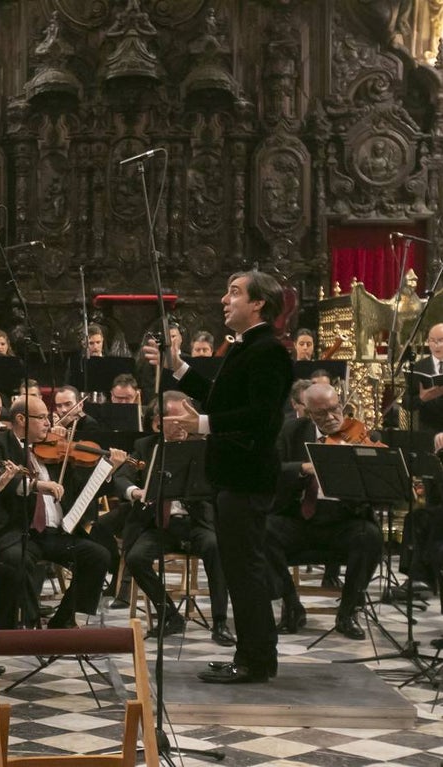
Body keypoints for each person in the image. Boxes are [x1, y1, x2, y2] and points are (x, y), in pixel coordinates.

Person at [144, 270, 292, 684]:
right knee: (240, 568)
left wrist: (201, 426)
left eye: (234, 293)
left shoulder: (270, 351)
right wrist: (177, 366)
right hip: (234, 477)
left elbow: (262, 418)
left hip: (248, 477)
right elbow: (217, 397)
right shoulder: (245, 348)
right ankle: (251, 654)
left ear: (259, 303)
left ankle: (255, 660)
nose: (224, 301)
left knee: (246, 570)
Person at [0, 395, 122, 629]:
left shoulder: (56, 450)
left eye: (48, 418)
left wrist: (108, 469)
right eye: (42, 418)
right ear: (20, 419)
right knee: (17, 559)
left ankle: (63, 620)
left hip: (55, 533)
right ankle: (31, 622)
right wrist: (37, 485)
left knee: (98, 556)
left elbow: (81, 489)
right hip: (19, 530)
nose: (49, 423)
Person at [113, 391, 235, 646]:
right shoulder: (144, 446)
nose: (184, 425)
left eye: (187, 419)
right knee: (135, 558)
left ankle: (221, 621)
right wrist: (135, 492)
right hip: (159, 525)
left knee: (215, 547)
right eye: (177, 419)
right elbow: (122, 477)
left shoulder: (202, 445)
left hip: (195, 522)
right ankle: (169, 613)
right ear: (159, 421)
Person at [266, 383, 382, 640]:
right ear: (307, 413)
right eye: (321, 414)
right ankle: (292, 605)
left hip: (342, 519)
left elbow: (380, 485)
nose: (331, 418)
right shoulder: (291, 431)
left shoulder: (360, 434)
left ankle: (347, 613)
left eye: (334, 410)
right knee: (262, 531)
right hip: (299, 517)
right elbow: (270, 470)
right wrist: (302, 468)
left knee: (370, 536)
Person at [410, 323, 443, 433]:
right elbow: (407, 403)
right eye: (432, 341)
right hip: (428, 431)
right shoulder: (420, 367)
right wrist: (421, 398)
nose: (436, 345)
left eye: (441, 340)